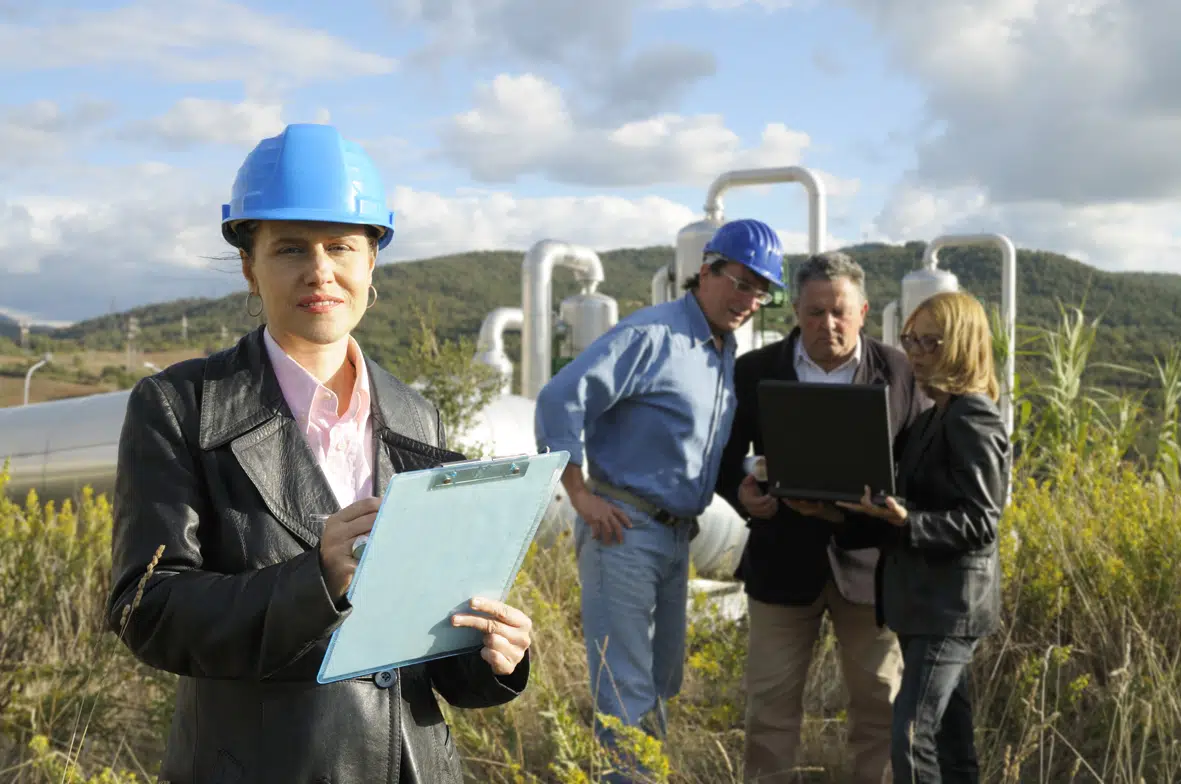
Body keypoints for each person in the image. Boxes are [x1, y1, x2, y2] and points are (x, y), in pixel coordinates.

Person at [106, 123, 534, 784]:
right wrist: (315, 580)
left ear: (372, 264)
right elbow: (148, 609)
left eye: (341, 246)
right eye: (289, 249)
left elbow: (426, 644)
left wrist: (489, 652)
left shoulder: (415, 414)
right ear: (250, 266)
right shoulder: (181, 406)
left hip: (408, 765)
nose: (319, 271)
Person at [534, 219, 786, 776]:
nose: (749, 300)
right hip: (622, 529)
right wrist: (579, 494)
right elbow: (558, 400)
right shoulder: (653, 336)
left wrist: (748, 471)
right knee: (625, 689)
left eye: (761, 291)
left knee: (661, 682)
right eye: (741, 283)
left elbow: (696, 444)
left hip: (677, 536)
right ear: (706, 271)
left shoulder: (721, 350)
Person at [716, 251, 929, 783]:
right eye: (814, 312)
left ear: (862, 311)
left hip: (869, 568)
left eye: (838, 311)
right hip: (780, 564)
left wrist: (889, 504)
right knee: (769, 711)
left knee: (881, 709)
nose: (826, 324)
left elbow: (922, 464)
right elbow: (722, 461)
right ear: (796, 313)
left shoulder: (899, 370)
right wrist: (746, 497)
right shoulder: (755, 370)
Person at [799, 290, 1009, 783]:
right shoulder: (934, 416)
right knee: (951, 741)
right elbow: (902, 508)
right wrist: (833, 514)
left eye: (930, 341)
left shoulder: (971, 416)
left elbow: (981, 522)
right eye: (910, 338)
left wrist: (906, 521)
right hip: (924, 603)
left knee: (911, 735)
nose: (915, 351)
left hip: (949, 608)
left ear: (961, 345)